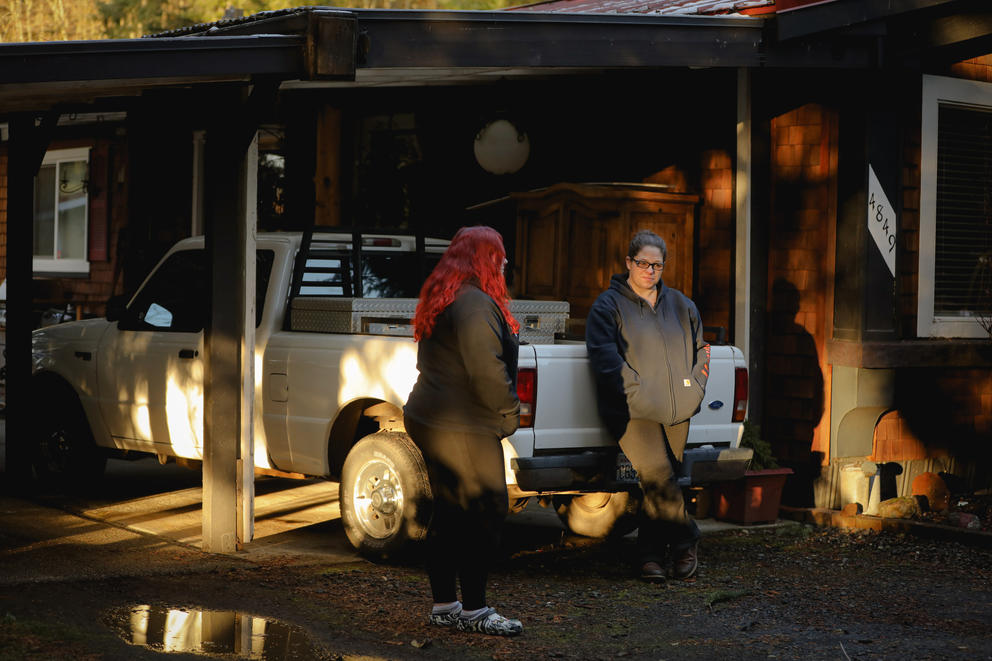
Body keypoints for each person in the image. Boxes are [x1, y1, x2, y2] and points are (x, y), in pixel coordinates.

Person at [403, 225, 524, 637]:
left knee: (452, 512)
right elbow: (485, 369)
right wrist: (509, 415)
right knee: (485, 511)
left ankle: (444, 606)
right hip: (461, 424)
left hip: (433, 418)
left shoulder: (451, 294)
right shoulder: (474, 304)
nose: (505, 260)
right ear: (484, 258)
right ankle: (474, 610)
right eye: (499, 253)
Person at [585, 229, 711, 582]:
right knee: (659, 476)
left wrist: (694, 389)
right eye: (643, 263)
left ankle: (649, 556)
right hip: (632, 411)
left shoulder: (682, 305)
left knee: (657, 484)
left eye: (657, 265)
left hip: (676, 411)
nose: (650, 271)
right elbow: (606, 360)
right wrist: (638, 394)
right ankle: (687, 538)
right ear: (629, 262)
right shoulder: (607, 306)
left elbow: (702, 350)